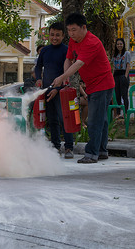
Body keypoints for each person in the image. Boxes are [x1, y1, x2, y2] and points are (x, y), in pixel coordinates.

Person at [53, 13, 115, 164]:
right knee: (102, 120)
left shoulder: (91, 42)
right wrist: (65, 74)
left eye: (74, 30)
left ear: (84, 27)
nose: (71, 34)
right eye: (69, 30)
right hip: (92, 85)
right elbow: (69, 59)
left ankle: (92, 154)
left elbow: (79, 63)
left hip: (103, 84)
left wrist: (62, 77)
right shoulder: (75, 41)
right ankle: (101, 151)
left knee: (94, 119)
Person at [35, 22, 74, 159]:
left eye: (58, 35)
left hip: (61, 91)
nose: (54, 38)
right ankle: (55, 147)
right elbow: (38, 67)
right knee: (52, 120)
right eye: (52, 35)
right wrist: (39, 79)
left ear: (63, 35)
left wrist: (57, 89)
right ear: (48, 35)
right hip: (47, 90)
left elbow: (67, 72)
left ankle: (69, 147)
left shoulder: (66, 51)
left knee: (65, 119)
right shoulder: (45, 51)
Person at [112, 38, 131, 118]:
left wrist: (125, 77)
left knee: (124, 95)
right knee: (117, 95)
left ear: (123, 45)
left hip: (123, 74)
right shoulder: (115, 55)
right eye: (118, 44)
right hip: (116, 75)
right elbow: (113, 67)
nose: (119, 45)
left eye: (121, 44)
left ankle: (126, 113)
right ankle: (118, 113)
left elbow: (128, 65)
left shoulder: (126, 53)